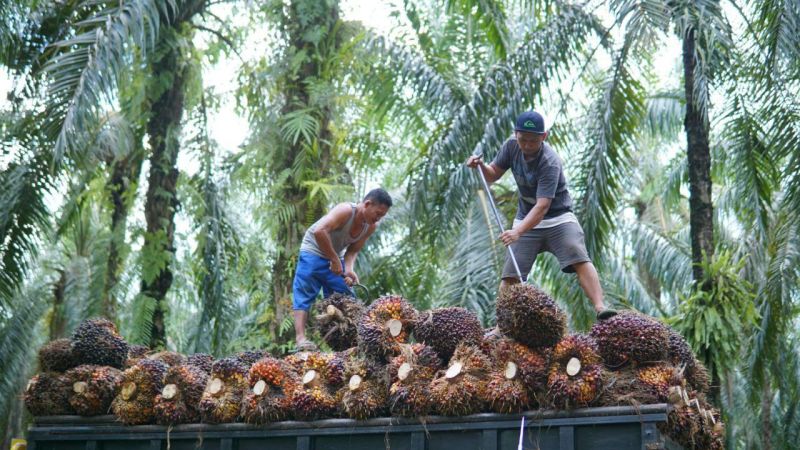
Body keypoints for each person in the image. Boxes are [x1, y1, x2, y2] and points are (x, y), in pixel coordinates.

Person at [465, 111, 617, 321]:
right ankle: (502, 325)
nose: (527, 145)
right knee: (511, 274)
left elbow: (543, 206)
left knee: (577, 253)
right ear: (516, 134)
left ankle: (600, 307)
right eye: (523, 139)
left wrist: (517, 231)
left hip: (558, 218)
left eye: (533, 141)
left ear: (543, 137)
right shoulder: (511, 147)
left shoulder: (550, 161)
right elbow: (493, 175)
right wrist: (480, 166)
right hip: (526, 217)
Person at [292, 188, 392, 351]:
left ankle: (347, 346)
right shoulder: (345, 210)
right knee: (304, 292)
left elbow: (352, 251)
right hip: (313, 250)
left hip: (335, 256)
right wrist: (333, 259)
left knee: (346, 295)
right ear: (367, 204)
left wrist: (348, 269)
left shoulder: (370, 226)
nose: (378, 219)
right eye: (378, 213)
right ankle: (301, 338)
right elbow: (319, 231)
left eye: (382, 216)